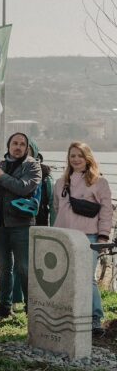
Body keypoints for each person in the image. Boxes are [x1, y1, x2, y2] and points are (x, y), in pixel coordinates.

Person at [53, 142, 113, 336]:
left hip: (88, 236)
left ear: (87, 158)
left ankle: (95, 317)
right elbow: (57, 207)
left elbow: (106, 212)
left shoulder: (99, 182)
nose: (76, 159)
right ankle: (68, 314)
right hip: (63, 236)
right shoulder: (60, 183)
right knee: (63, 277)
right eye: (72, 156)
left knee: (87, 278)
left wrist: (103, 236)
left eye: (80, 155)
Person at [0, 132, 42, 321]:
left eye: (22, 144)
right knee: (4, 268)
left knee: (24, 268)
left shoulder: (33, 165)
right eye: (14, 143)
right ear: (8, 146)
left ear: (27, 147)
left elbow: (24, 187)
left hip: (21, 225)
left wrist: (2, 176)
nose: (18, 147)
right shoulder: (0, 164)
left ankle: (31, 309)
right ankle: (4, 307)